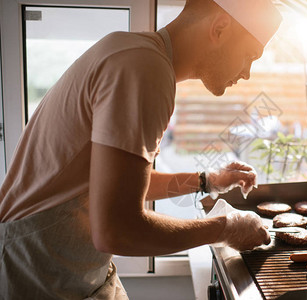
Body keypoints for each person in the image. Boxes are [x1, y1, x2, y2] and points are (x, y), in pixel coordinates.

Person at [0, 0, 282, 298]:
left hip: (60, 267)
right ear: (220, 28)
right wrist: (226, 228)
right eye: (250, 55)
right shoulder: (145, 69)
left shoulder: (135, 54)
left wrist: (206, 181)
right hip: (37, 272)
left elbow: (120, 185)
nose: (248, 72)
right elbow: (116, 231)